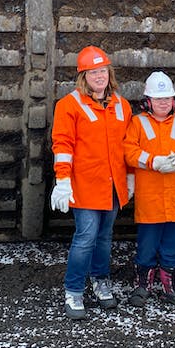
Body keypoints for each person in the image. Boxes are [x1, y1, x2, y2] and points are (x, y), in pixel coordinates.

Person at [50, 45, 133, 320]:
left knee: (104, 238)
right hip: (85, 185)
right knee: (85, 237)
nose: (99, 76)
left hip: (113, 186)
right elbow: (63, 145)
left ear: (110, 73)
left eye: (103, 71)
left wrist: (130, 178)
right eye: (93, 72)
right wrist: (63, 180)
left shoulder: (122, 105)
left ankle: (100, 281)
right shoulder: (69, 105)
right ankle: (74, 291)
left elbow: (128, 146)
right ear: (83, 76)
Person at [123, 71, 175, 308]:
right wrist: (153, 161)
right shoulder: (137, 123)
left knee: (173, 244)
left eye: (167, 98)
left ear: (174, 100)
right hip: (150, 198)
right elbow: (129, 152)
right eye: (158, 99)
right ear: (148, 101)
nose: (163, 103)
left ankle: (171, 287)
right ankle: (142, 285)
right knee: (147, 244)